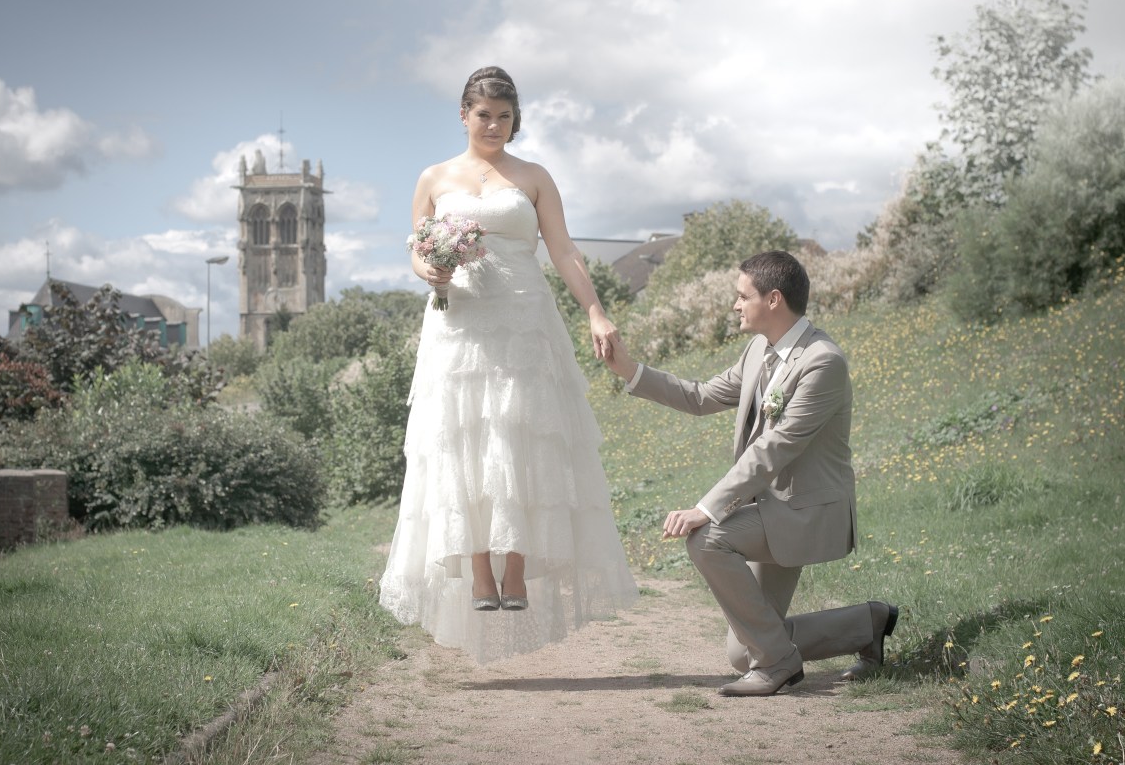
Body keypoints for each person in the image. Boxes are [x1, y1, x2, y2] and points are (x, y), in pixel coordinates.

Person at [378, 66, 639, 663]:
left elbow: (565, 251)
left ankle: (515, 567)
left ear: (515, 120)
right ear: (464, 115)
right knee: (462, 439)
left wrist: (596, 312)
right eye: (483, 115)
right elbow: (417, 251)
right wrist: (431, 272)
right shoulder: (434, 177)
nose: (493, 125)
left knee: (522, 437)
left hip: (525, 320)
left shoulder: (534, 177)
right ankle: (478, 570)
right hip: (459, 321)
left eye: (503, 116)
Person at [604, 250, 898, 696]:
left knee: (708, 537)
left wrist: (707, 508)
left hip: (804, 510)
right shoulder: (760, 349)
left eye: (742, 296)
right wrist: (628, 369)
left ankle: (780, 663)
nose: (735, 305)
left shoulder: (823, 362)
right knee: (742, 654)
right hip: (769, 510)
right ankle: (867, 623)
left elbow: (775, 448)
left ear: (774, 298)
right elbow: (701, 396)